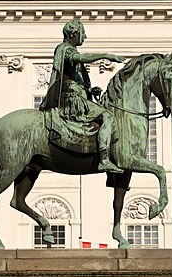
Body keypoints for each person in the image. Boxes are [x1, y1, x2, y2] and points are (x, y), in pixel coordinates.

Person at [40, 18, 125, 174]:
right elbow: (78, 59)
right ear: (74, 33)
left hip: (78, 96)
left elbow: (74, 80)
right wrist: (105, 55)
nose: (84, 37)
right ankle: (104, 159)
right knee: (108, 117)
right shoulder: (64, 49)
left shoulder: (70, 51)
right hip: (71, 100)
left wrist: (90, 91)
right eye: (83, 33)